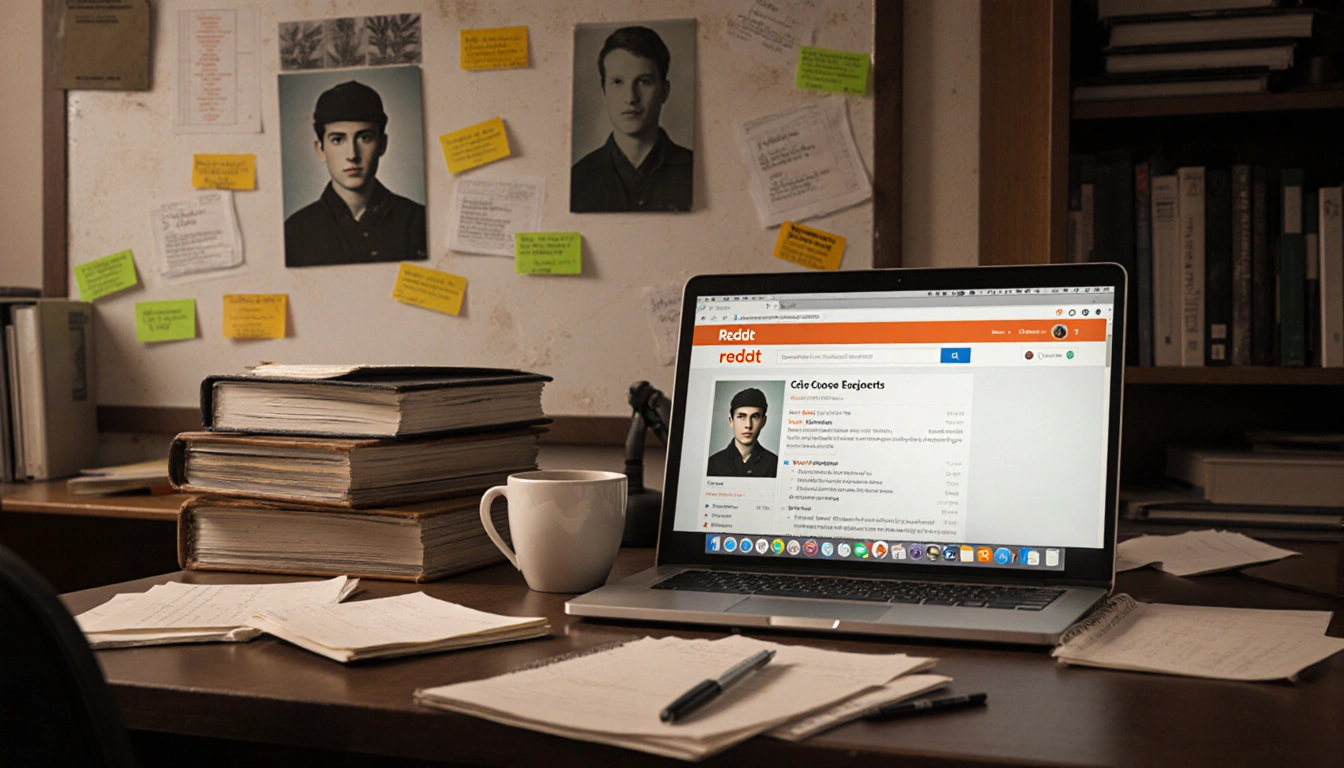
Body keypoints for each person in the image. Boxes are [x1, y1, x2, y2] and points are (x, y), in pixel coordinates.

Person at [284, 80, 427, 267]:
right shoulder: (294, 232)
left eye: (364, 138)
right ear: (320, 150)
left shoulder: (418, 221)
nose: (352, 155)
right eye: (337, 140)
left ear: (382, 144)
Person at [570, 26, 692, 213]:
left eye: (644, 81)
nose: (631, 97)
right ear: (604, 93)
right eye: (618, 82)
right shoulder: (578, 178)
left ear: (664, 91)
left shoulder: (692, 170)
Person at [706, 387, 779, 478]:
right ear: (731, 421)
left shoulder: (775, 464)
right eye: (741, 417)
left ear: (763, 422)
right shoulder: (713, 464)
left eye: (755, 416)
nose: (748, 425)